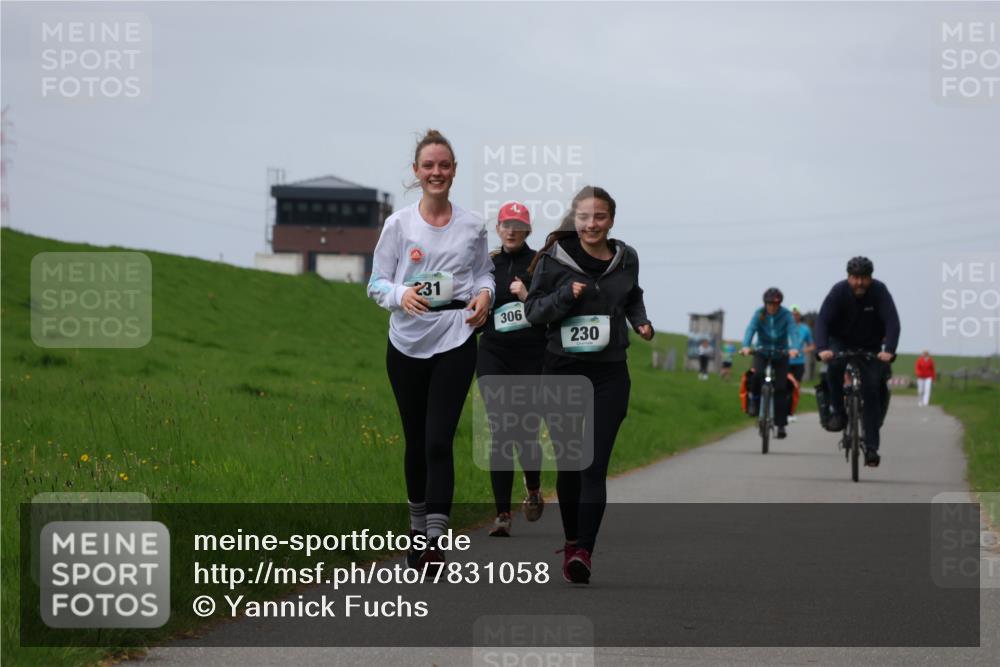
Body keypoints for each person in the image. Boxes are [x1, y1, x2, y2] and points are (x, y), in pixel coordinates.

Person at [367, 129, 494, 569]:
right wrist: (400, 294)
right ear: (416, 172)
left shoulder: (473, 225)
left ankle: (435, 541)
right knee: (416, 440)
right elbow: (376, 283)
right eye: (428, 165)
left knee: (439, 439)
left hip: (456, 337)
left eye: (444, 165)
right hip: (406, 343)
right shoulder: (398, 225)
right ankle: (416, 527)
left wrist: (486, 295)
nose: (436, 172)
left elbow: (484, 273)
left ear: (454, 171)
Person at [525, 185, 653, 584]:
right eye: (584, 217)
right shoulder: (553, 259)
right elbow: (533, 311)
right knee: (569, 464)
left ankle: (583, 551)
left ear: (611, 219)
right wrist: (565, 295)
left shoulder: (626, 257)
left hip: (609, 373)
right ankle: (571, 540)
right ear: (574, 218)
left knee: (593, 465)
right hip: (562, 371)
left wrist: (640, 321)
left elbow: (632, 296)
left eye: (599, 217)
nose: (591, 224)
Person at [476, 201, 547, 537]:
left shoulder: (541, 263)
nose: (512, 231)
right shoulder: (487, 265)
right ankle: (502, 514)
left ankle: (533, 488)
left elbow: (551, 309)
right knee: (502, 430)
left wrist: (527, 295)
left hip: (532, 357)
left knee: (525, 433)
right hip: (494, 355)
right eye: (506, 225)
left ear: (527, 230)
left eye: (518, 226)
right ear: (498, 229)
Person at [815, 256, 900, 467]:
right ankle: (838, 412)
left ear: (870, 278)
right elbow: (822, 321)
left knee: (871, 391)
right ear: (848, 277)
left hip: (870, 345)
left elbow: (892, 321)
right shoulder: (838, 292)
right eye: (855, 278)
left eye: (864, 278)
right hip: (840, 342)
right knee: (834, 368)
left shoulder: (879, 291)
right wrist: (822, 348)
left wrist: (889, 350)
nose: (859, 282)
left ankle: (871, 448)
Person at [740, 288, 800, 439]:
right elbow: (751, 329)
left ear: (779, 304)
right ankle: (754, 401)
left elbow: (793, 331)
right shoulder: (759, 313)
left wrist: (794, 348)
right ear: (765, 303)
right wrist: (746, 346)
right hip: (762, 351)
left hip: (781, 354)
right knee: (757, 375)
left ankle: (781, 425)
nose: (772, 307)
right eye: (769, 304)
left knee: (780, 387)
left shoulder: (786, 315)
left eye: (775, 304)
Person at [787, 306, 815, 421]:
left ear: (799, 315)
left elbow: (812, 345)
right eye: (792, 314)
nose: (794, 316)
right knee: (784, 387)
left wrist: (804, 350)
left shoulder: (805, 329)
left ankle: (791, 412)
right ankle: (782, 411)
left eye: (796, 314)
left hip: (798, 362)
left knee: (795, 387)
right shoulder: (785, 327)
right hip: (785, 361)